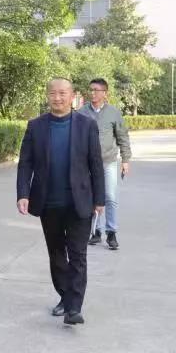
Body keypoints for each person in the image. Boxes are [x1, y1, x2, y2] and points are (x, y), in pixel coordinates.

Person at [16, 78, 105, 325]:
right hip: (49, 202)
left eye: (63, 93)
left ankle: (74, 307)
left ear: (72, 95)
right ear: (47, 96)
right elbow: (26, 163)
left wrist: (100, 198)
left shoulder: (87, 125)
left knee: (78, 255)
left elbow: (96, 164)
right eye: (53, 94)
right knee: (56, 254)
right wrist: (23, 193)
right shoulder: (36, 126)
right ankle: (65, 296)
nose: (58, 98)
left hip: (79, 202)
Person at [80, 78, 132, 250]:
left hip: (108, 161)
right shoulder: (81, 113)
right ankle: (96, 231)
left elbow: (122, 137)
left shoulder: (113, 113)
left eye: (96, 90)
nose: (92, 93)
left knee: (110, 197)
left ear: (104, 93)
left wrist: (125, 160)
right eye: (91, 89)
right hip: (87, 164)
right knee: (92, 197)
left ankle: (111, 232)